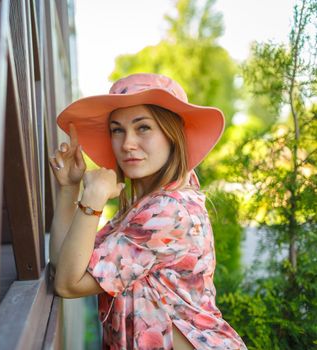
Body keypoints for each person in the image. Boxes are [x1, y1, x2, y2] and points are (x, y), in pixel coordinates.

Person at [48, 73, 247, 350]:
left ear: (171, 135)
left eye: (143, 128)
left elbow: (69, 284)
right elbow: (65, 265)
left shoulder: (168, 211)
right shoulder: (142, 207)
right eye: (117, 130)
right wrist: (70, 189)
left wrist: (93, 198)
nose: (127, 143)